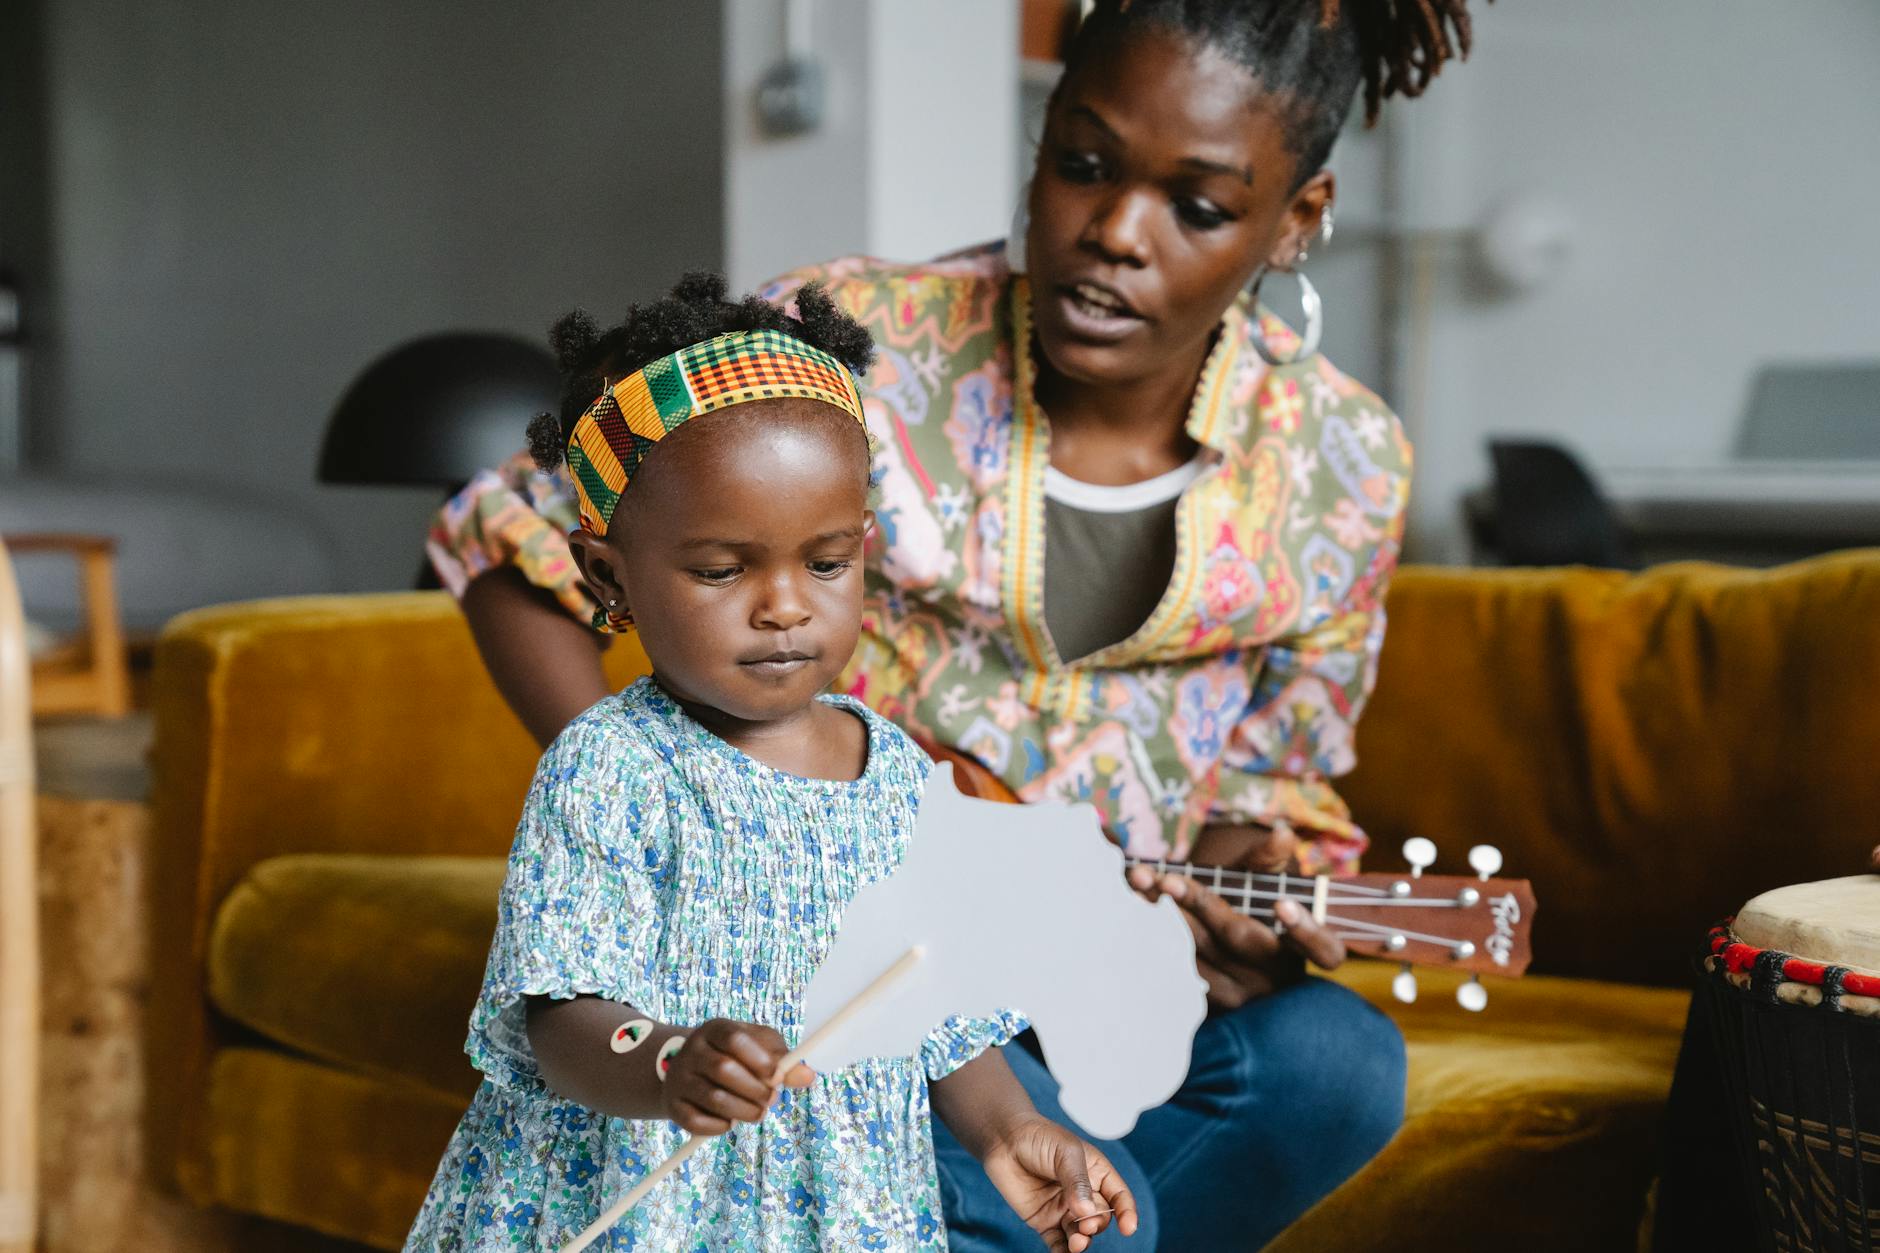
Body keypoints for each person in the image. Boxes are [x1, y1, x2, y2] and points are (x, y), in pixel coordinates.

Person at [428, 2, 1486, 1245]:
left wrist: (1253, 860)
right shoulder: (841, 348)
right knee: (1106, 1216)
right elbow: (503, 537)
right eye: (1080, 164)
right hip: (855, 955)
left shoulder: (1345, 459)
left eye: (1196, 206)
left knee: (1334, 1064)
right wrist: (685, 789)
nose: (1111, 233)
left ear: (1295, 217)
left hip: (1098, 956)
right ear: (1038, 139)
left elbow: (1281, 769)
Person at [405, 278, 1136, 1252]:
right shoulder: (611, 770)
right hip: (643, 1212)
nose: (785, 605)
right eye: (722, 568)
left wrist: (1010, 1128)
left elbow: (933, 995)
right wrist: (665, 1060)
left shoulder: (901, 778)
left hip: (841, 1212)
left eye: (826, 561)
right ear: (607, 576)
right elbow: (558, 1014)